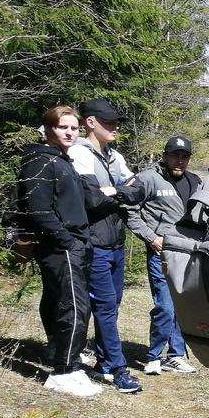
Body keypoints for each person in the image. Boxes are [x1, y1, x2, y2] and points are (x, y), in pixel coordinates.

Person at [18, 106, 137, 397]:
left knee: (72, 305)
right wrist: (66, 240)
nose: (70, 133)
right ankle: (63, 372)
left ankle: (69, 364)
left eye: (73, 128)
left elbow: (91, 197)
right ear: (48, 129)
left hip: (76, 244)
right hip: (62, 247)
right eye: (63, 127)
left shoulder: (63, 159)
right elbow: (39, 209)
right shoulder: (41, 162)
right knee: (74, 307)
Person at [70, 97, 145, 393]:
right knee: (104, 307)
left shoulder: (114, 155)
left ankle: (103, 362)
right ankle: (118, 368)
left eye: (115, 122)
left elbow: (139, 190)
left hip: (115, 241)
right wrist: (119, 193)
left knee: (112, 305)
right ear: (90, 122)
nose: (115, 127)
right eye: (108, 122)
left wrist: (112, 191)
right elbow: (91, 199)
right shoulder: (80, 153)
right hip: (94, 243)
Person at [126, 135, 201, 375]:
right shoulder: (149, 178)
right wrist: (150, 237)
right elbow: (128, 209)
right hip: (162, 253)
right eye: (175, 156)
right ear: (165, 156)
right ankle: (154, 355)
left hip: (188, 254)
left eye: (184, 157)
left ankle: (175, 355)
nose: (179, 161)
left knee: (185, 307)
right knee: (165, 306)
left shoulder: (195, 181)